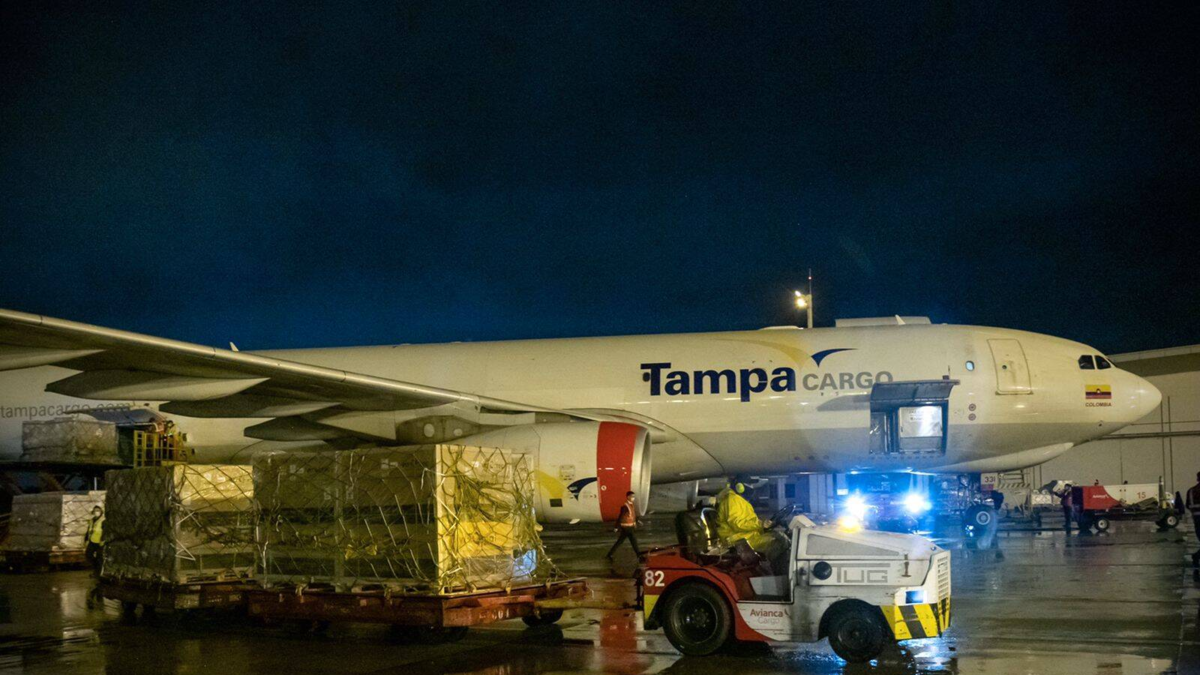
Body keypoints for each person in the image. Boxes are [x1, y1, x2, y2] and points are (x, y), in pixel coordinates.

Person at [715, 476, 788, 573]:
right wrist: (760, 524)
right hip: (739, 540)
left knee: (779, 536)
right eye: (749, 484)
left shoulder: (738, 499)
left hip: (746, 537)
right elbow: (737, 524)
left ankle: (774, 569)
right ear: (739, 486)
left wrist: (766, 526)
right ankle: (778, 571)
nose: (751, 487)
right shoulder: (732, 500)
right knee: (778, 542)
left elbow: (746, 521)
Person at [606, 491, 640, 560]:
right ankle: (639, 555)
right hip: (626, 527)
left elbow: (632, 515)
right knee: (633, 540)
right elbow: (620, 517)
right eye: (632, 496)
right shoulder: (625, 506)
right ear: (628, 497)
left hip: (629, 526)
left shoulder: (631, 505)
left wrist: (636, 521)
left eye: (634, 496)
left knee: (620, 541)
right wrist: (616, 526)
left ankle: (610, 554)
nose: (633, 498)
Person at [84, 506, 105, 577]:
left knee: (99, 557)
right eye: (95, 510)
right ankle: (97, 568)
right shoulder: (92, 520)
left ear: (101, 512)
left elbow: (105, 531)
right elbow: (89, 531)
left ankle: (97, 573)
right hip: (92, 541)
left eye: (98, 510)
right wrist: (86, 539)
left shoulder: (103, 520)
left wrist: (102, 539)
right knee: (88, 555)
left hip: (100, 542)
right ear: (93, 512)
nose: (97, 512)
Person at [1186, 474, 1200, 567]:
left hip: (1197, 520)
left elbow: (1188, 505)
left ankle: (1196, 557)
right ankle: (1196, 556)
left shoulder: (1191, 491)